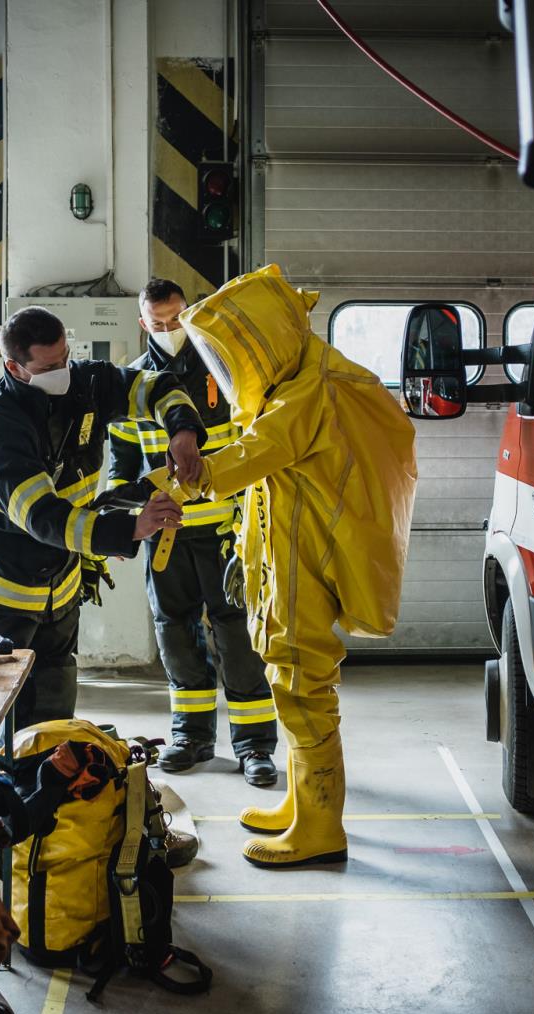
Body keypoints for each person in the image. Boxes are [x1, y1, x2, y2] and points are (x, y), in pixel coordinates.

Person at [175, 264, 418, 869]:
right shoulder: (301, 376)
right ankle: (302, 803)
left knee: (301, 680)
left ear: (264, 337)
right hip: (289, 555)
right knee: (288, 676)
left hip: (305, 559)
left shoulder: (312, 390)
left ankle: (320, 826)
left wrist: (190, 476)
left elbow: (259, 452)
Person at [0, 306, 206, 728]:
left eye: (65, 359)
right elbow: (43, 517)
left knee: (53, 725)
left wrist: (183, 431)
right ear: (14, 367)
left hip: (60, 596)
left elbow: (156, 386)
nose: (62, 373)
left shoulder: (87, 384)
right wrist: (129, 528)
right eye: (48, 368)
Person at [108, 279, 279, 787]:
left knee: (238, 636)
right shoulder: (131, 386)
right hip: (166, 537)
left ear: (190, 314)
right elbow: (120, 466)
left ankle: (254, 745)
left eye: (176, 319)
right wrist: (123, 522)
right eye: (158, 323)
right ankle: (191, 737)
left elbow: (254, 449)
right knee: (175, 635)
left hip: (228, 533)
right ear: (143, 324)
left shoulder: (224, 373)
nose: (169, 330)